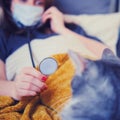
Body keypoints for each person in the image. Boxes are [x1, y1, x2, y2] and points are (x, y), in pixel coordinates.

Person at [0, 0, 107, 101]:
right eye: (23, 0)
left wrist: (62, 29)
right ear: (8, 3)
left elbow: (108, 55)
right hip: (53, 94)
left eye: (38, 2)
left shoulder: (70, 28)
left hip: (95, 82)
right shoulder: (4, 36)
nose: (31, 7)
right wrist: (15, 89)